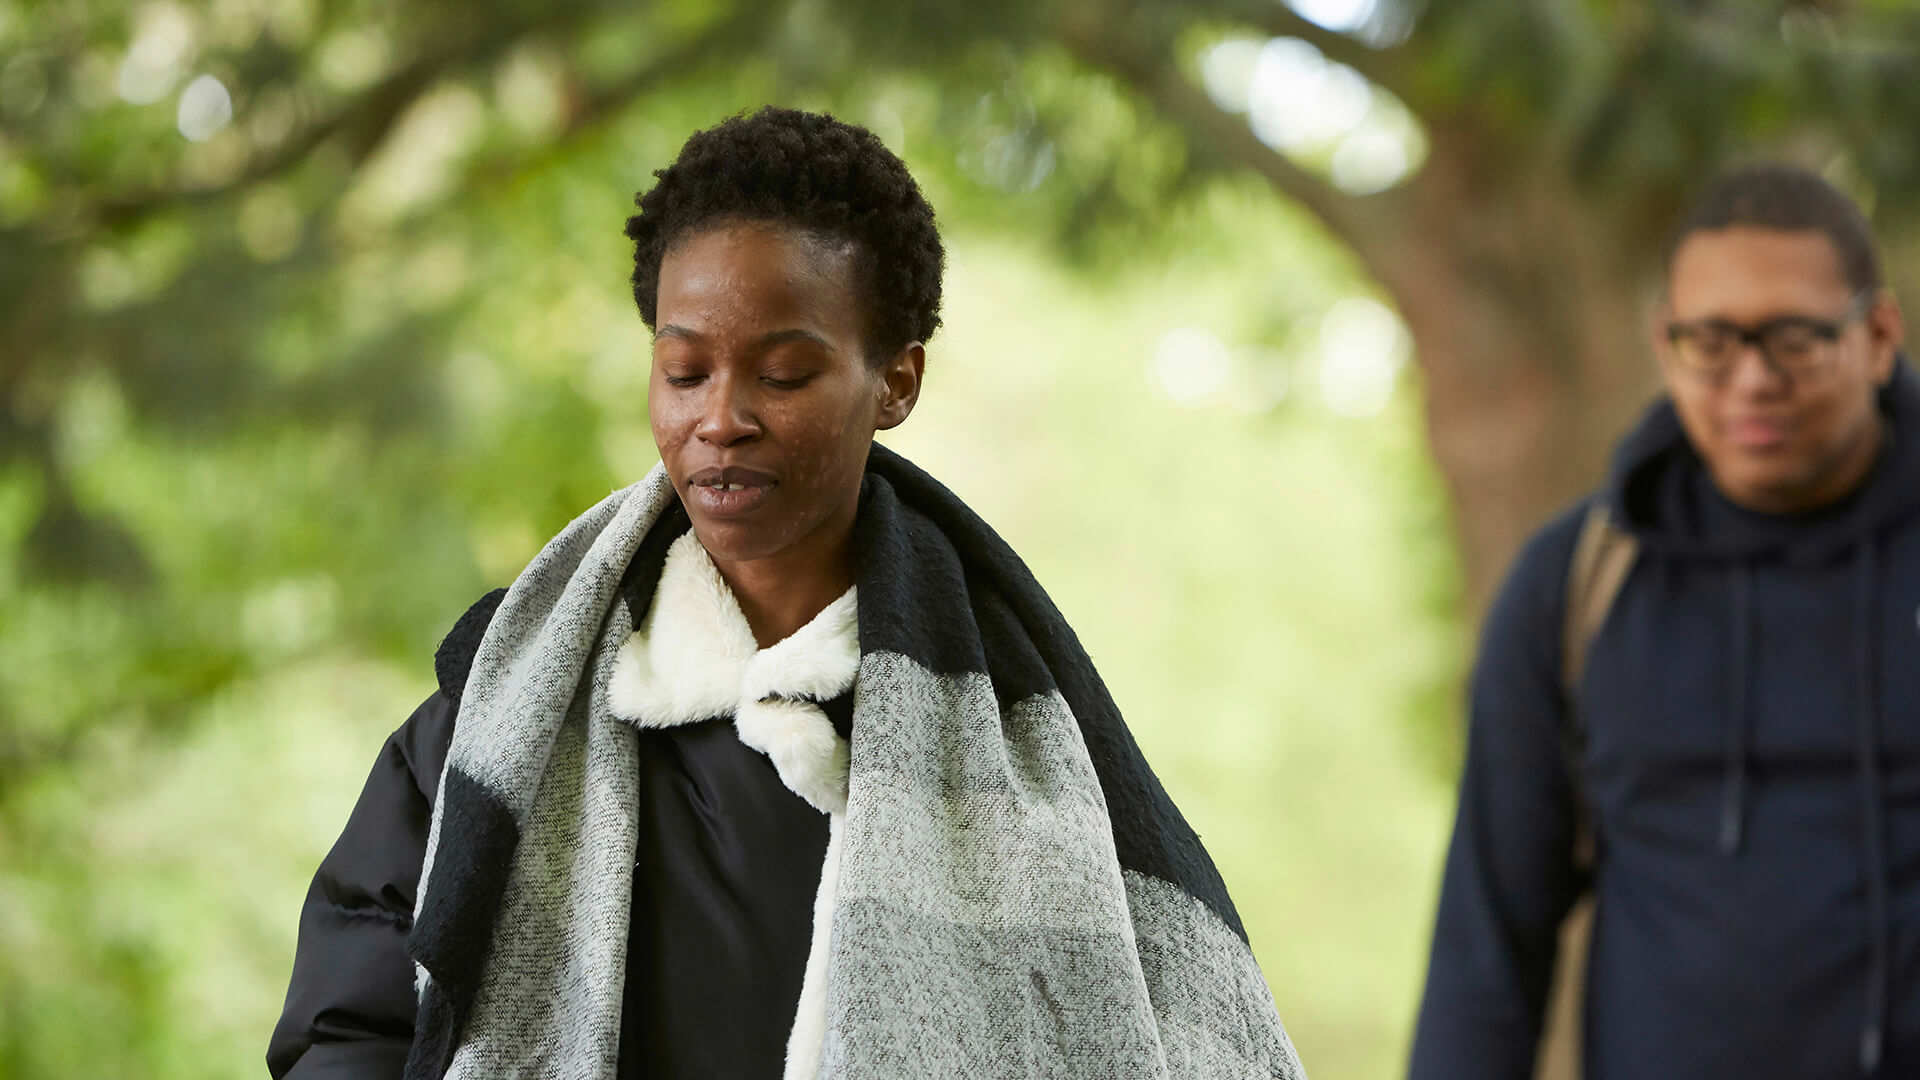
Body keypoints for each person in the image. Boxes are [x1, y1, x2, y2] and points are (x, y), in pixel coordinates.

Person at [267, 106, 1305, 1080]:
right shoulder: (503, 701)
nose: (722, 418)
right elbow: (349, 1020)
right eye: (684, 372)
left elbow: (1181, 1025)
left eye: (785, 374)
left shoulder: (1023, 749)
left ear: (894, 381)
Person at [1408, 162, 1918, 1079]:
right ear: (1664, 344)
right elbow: (1485, 957)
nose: (1753, 379)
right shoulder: (1577, 584)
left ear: (1879, 336)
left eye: (1796, 338)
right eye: (1712, 341)